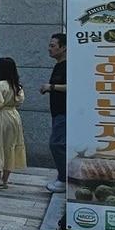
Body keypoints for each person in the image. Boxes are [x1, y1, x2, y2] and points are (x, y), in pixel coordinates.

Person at [0, 57, 27, 189]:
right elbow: (20, 101)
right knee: (10, 147)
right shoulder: (17, 85)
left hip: (0, 117)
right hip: (14, 116)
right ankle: (5, 180)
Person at [43, 33, 68, 194]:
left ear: (64, 47)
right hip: (57, 112)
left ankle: (64, 179)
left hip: (65, 112)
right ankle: (63, 177)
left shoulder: (68, 66)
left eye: (53, 45)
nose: (49, 49)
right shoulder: (58, 65)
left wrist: (50, 87)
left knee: (57, 144)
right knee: (59, 144)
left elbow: (73, 86)